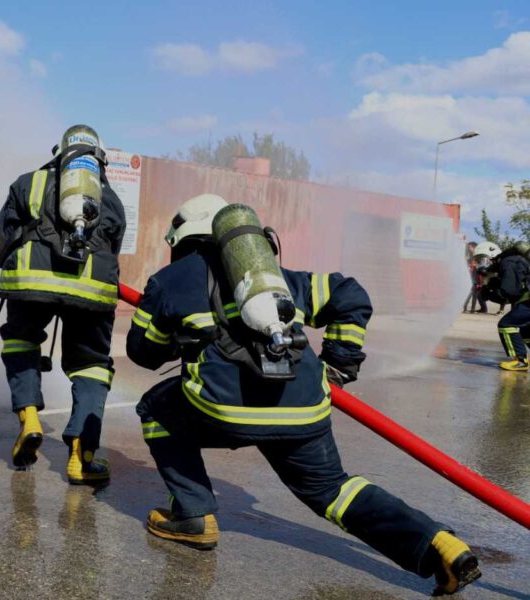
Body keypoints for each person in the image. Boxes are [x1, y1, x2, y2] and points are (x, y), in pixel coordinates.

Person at [126, 193, 481, 595]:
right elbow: (351, 296)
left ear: (184, 238)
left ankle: (193, 514)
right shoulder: (281, 279)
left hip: (221, 410)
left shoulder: (171, 280)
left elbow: (142, 353)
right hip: (301, 410)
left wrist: (183, 336)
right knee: (334, 489)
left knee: (156, 409)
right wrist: (338, 366)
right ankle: (439, 546)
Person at [0, 124, 126, 484]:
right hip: (91, 290)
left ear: (58, 154)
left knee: (22, 341)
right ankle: (82, 457)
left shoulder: (28, 183)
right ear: (100, 160)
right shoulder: (110, 200)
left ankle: (29, 417)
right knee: (91, 365)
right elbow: (113, 249)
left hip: (30, 283)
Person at [493, 241, 530, 371]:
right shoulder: (524, 261)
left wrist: (494, 287)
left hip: (528, 301)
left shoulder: (510, 261)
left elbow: (509, 290)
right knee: (525, 329)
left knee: (506, 324)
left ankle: (520, 361)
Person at [462, 241, 487, 313]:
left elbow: (483, 268)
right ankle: (465, 308)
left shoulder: (480, 257)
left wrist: (476, 266)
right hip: (470, 277)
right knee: (468, 294)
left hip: (477, 278)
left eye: (469, 247)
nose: (468, 248)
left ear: (474, 247)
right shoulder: (469, 257)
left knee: (474, 295)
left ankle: (472, 309)